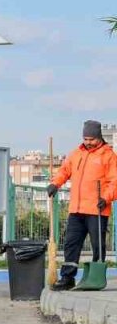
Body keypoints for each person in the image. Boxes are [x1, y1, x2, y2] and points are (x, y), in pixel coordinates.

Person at [47, 120, 117, 291]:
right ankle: (68, 277)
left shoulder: (108, 156)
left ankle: (95, 277)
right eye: (85, 138)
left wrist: (106, 198)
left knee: (97, 244)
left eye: (91, 139)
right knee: (71, 243)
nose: (88, 142)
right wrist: (55, 184)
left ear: (99, 137)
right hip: (76, 209)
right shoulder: (76, 154)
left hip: (97, 209)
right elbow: (64, 171)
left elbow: (114, 182)